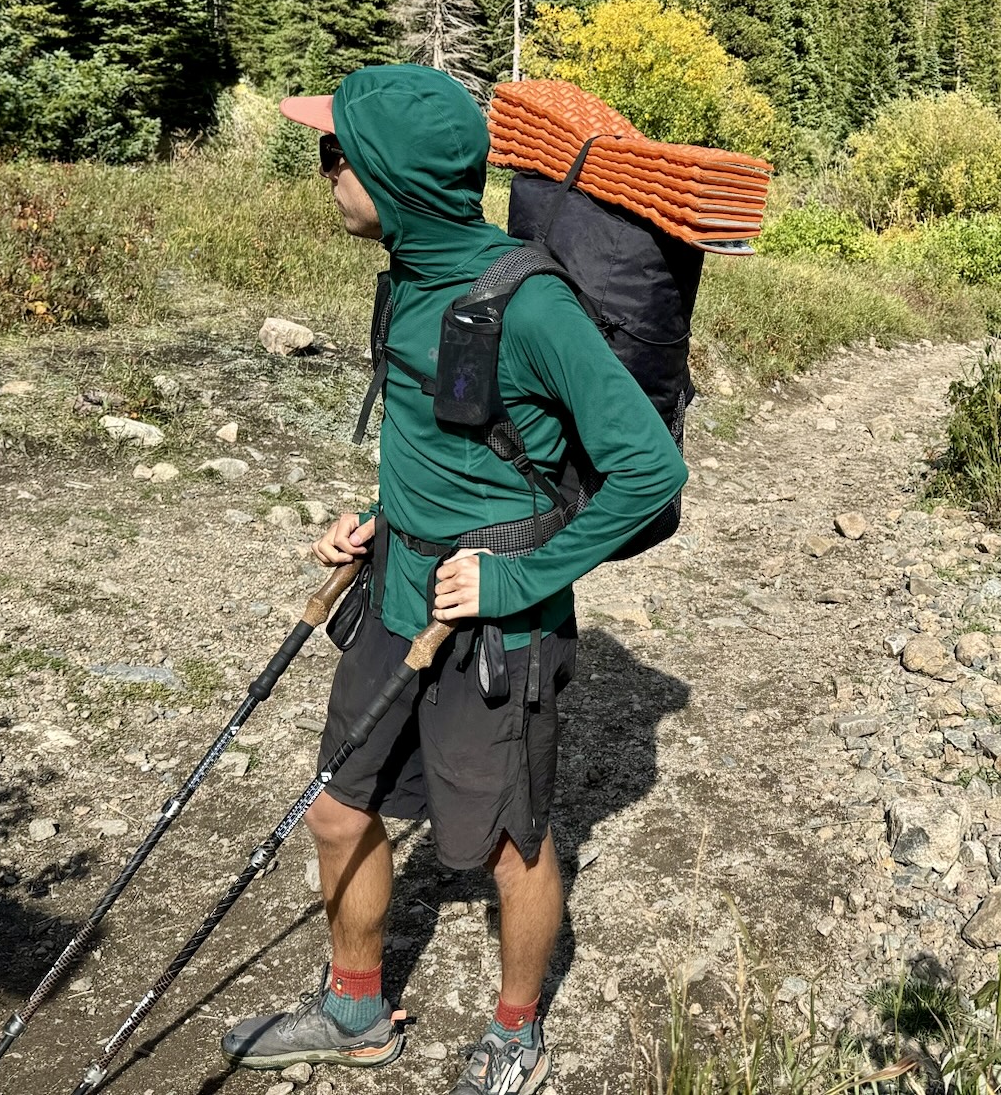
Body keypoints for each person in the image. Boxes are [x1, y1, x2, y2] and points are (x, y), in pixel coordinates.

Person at [219, 64, 686, 1095]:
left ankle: (517, 1028)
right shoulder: (409, 280)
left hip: (495, 625)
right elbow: (455, 444)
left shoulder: (530, 306)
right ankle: (353, 1010)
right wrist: (377, 523)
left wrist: (529, 580)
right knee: (341, 809)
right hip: (395, 595)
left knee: (508, 844)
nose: (324, 173)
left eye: (334, 155)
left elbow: (651, 468)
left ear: (386, 176)